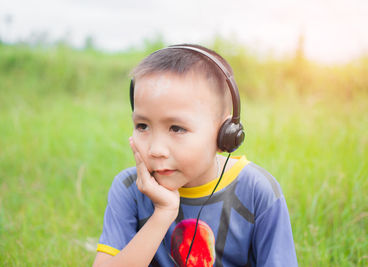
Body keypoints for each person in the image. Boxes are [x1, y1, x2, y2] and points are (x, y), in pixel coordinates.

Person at [92, 44, 297, 267]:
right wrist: (163, 213)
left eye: (177, 128)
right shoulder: (130, 188)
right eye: (142, 126)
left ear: (224, 133)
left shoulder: (258, 192)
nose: (156, 149)